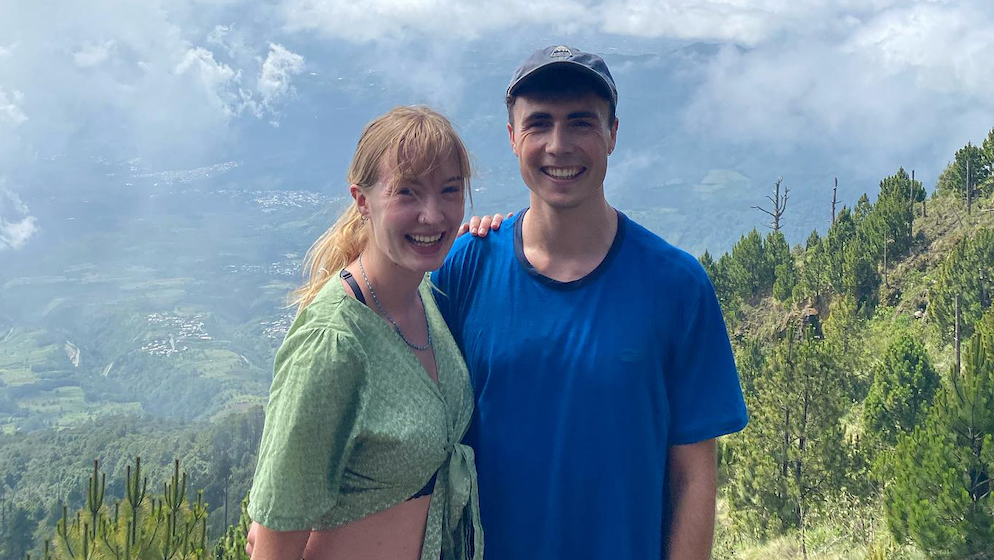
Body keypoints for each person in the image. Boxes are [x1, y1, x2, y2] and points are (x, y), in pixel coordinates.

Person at [431, 45, 749, 559]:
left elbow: (693, 475)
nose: (559, 145)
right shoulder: (465, 268)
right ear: (513, 138)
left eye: (581, 122)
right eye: (538, 124)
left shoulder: (677, 286)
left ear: (612, 135)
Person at [246, 105, 483, 560]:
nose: (433, 216)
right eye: (407, 193)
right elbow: (275, 542)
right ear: (361, 200)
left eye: (450, 191)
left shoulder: (426, 296)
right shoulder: (333, 343)